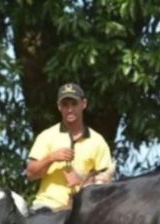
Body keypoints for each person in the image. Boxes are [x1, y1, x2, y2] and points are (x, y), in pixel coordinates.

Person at [26, 83, 114, 211]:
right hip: (47, 207)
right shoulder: (46, 136)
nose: (70, 109)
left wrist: (82, 181)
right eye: (65, 105)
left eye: (74, 104)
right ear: (59, 107)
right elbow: (30, 174)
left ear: (83, 104)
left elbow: (108, 184)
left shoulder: (97, 141)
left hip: (83, 210)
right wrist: (51, 157)